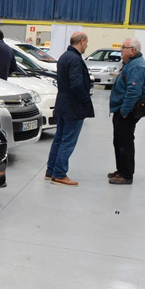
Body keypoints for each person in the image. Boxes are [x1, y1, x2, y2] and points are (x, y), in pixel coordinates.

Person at [45, 32, 94, 186]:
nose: (87, 46)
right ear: (82, 41)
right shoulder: (75, 59)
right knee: (67, 141)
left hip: (63, 104)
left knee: (59, 139)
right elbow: (77, 84)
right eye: (86, 43)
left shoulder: (64, 56)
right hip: (73, 107)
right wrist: (86, 101)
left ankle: (51, 170)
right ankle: (59, 174)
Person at [108, 38, 145, 185]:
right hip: (122, 109)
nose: (121, 50)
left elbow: (133, 91)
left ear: (133, 51)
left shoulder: (137, 66)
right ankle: (121, 170)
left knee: (125, 141)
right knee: (119, 140)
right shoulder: (131, 64)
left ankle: (126, 174)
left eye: (124, 47)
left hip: (127, 111)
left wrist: (124, 111)